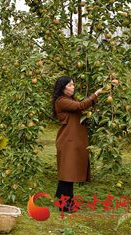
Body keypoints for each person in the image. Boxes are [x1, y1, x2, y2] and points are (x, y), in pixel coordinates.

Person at [52, 76, 104, 212]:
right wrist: (96, 94)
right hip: (68, 140)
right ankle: (63, 203)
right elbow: (80, 106)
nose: (72, 87)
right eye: (69, 85)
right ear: (62, 87)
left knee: (71, 172)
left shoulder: (70, 100)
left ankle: (68, 200)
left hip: (74, 140)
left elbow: (80, 112)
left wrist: (92, 113)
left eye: (73, 85)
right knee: (67, 173)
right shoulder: (61, 101)